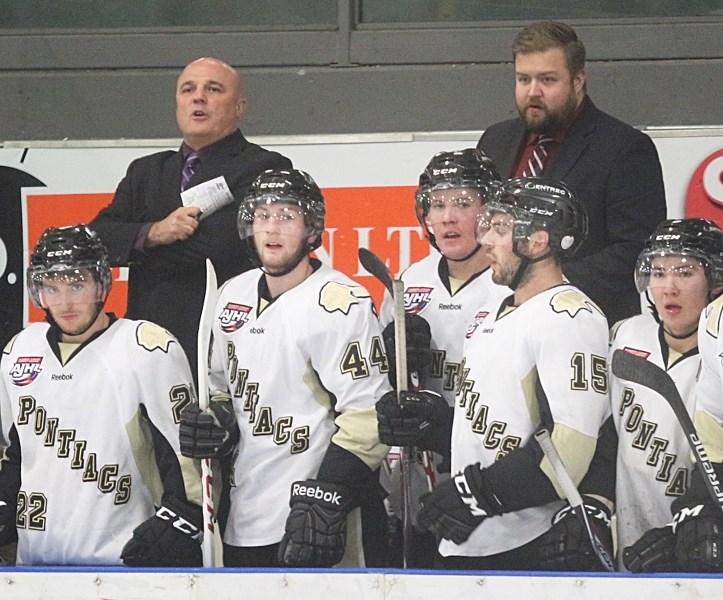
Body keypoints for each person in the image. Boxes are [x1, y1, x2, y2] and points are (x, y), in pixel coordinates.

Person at [392, 176, 610, 570]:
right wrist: (438, 425)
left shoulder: (569, 316)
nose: (487, 239)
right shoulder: (499, 310)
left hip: (527, 540)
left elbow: (572, 449)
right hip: (472, 538)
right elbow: (499, 424)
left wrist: (478, 493)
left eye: (501, 228)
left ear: (538, 241)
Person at [178, 169, 390, 568]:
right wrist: (215, 421)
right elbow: (221, 389)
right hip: (245, 515)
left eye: (287, 216)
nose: (272, 228)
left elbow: (368, 414)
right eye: (262, 215)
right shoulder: (231, 294)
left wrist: (327, 493)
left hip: (321, 518)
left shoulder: (340, 302)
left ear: (312, 230)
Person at [0, 225, 203, 566]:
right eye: (52, 287)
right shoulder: (20, 351)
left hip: (122, 563)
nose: (65, 302)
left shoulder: (145, 347)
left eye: (77, 285)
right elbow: (14, 455)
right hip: (34, 566)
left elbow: (186, 462)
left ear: (100, 285)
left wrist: (182, 519)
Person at [90, 57, 292, 374]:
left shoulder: (264, 167)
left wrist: (135, 247)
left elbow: (220, 246)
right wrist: (153, 233)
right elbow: (96, 239)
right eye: (188, 90)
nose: (198, 97)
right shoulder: (145, 171)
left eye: (213, 89)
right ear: (178, 105)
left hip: (226, 349)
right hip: (148, 345)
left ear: (239, 107)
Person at [477, 21, 666, 326]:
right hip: (500, 324)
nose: (533, 92)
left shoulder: (625, 148)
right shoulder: (495, 141)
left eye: (547, 80)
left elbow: (639, 251)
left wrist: (543, 280)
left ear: (578, 80)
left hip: (585, 326)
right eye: (523, 79)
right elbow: (484, 229)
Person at [375, 148, 507, 567]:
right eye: (437, 204)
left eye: (463, 204)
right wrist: (394, 359)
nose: (448, 217)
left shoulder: (511, 284)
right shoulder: (408, 281)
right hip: (416, 480)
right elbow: (381, 386)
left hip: (489, 474)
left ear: (491, 212)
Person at [603, 219, 723, 572]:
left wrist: (684, 530)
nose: (668, 287)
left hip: (705, 547)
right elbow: (606, 436)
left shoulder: (718, 353)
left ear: (715, 280)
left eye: (685, 272)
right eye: (657, 272)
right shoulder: (626, 336)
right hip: (630, 545)